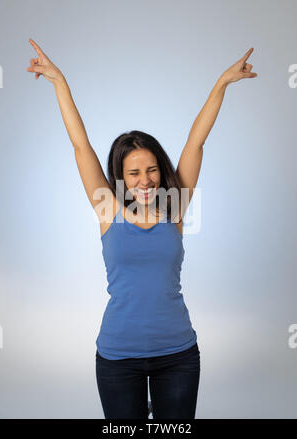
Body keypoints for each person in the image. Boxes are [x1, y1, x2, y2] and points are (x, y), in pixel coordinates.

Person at [26, 39, 257, 419]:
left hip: (178, 355)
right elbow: (80, 144)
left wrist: (221, 84)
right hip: (118, 357)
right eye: (134, 173)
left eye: (151, 170)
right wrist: (59, 82)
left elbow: (195, 141)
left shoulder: (176, 206)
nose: (145, 180)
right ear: (119, 177)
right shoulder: (107, 209)